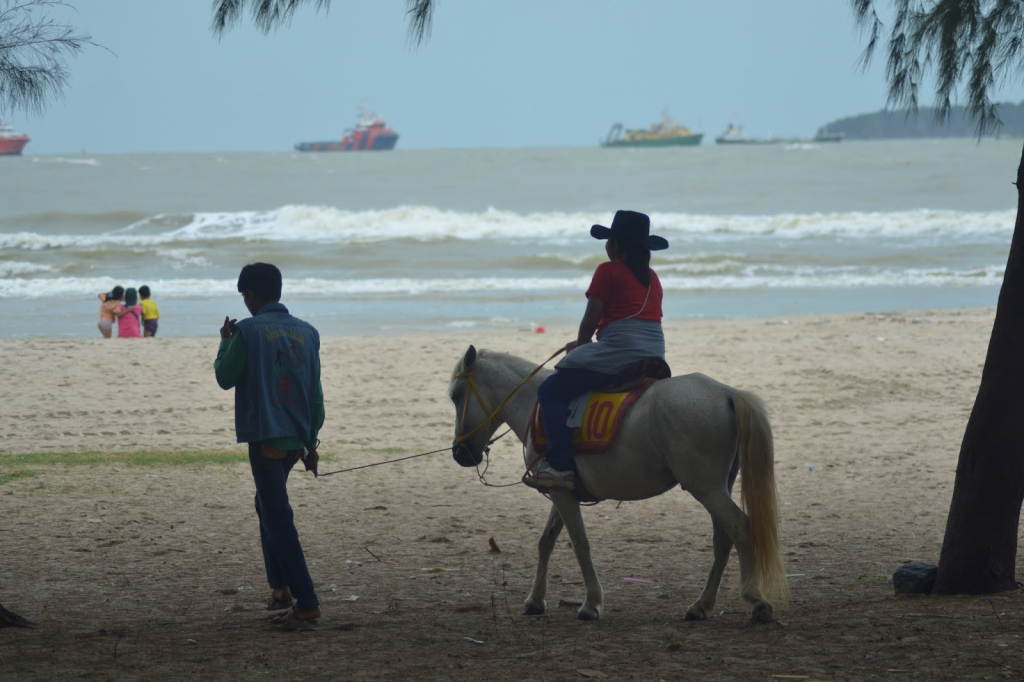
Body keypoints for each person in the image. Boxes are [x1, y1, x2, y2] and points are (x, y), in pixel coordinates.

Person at [214, 262, 325, 629]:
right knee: (266, 504)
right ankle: (279, 588)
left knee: (279, 519)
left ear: (251, 295)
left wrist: (225, 341)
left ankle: (306, 602)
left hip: (266, 438)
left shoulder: (246, 330)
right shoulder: (309, 332)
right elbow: (316, 394)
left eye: (244, 294)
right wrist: (310, 444)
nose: (244, 301)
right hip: (296, 438)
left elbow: (224, 378)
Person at [524, 210, 668, 490]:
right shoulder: (653, 277)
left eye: (610, 240)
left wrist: (579, 346)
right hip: (654, 353)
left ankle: (561, 467)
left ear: (615, 245)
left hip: (620, 350)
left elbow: (591, 319)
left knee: (550, 391)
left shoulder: (607, 270)